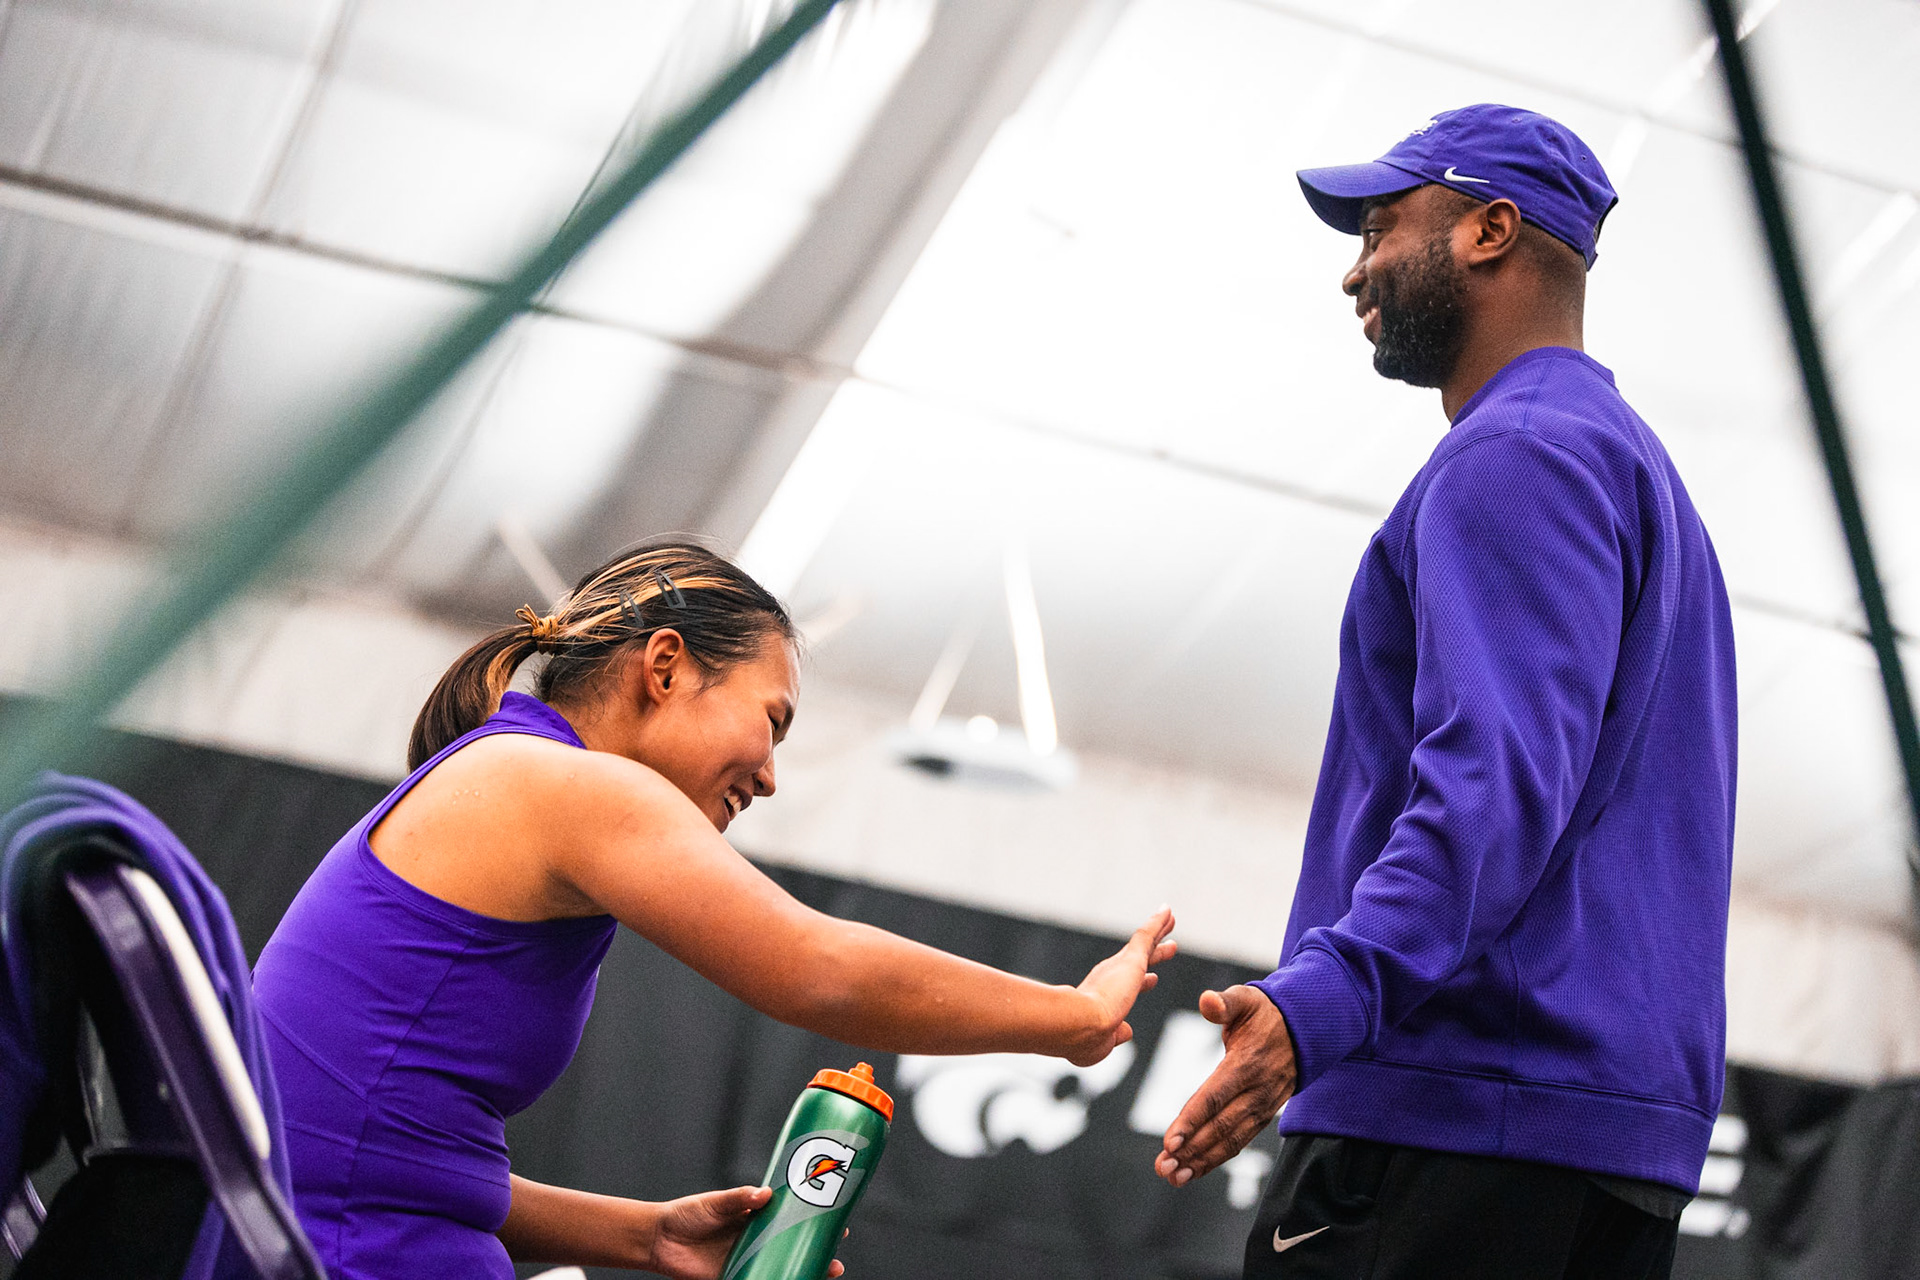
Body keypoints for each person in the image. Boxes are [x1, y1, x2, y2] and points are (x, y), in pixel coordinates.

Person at [1153, 105, 1736, 1279]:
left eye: (1381, 226)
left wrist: (1329, 994)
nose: (1353, 269)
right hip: (1596, 1135)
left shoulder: (1515, 456)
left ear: (1491, 230)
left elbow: (1491, 783)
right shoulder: (1635, 473)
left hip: (1460, 1116)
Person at [253, 540, 1176, 1280]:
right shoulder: (562, 784)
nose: (772, 775)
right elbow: (822, 971)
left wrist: (647, 1237)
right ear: (665, 666)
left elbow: (394, 1152)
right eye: (771, 721)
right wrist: (1074, 1017)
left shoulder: (513, 775)